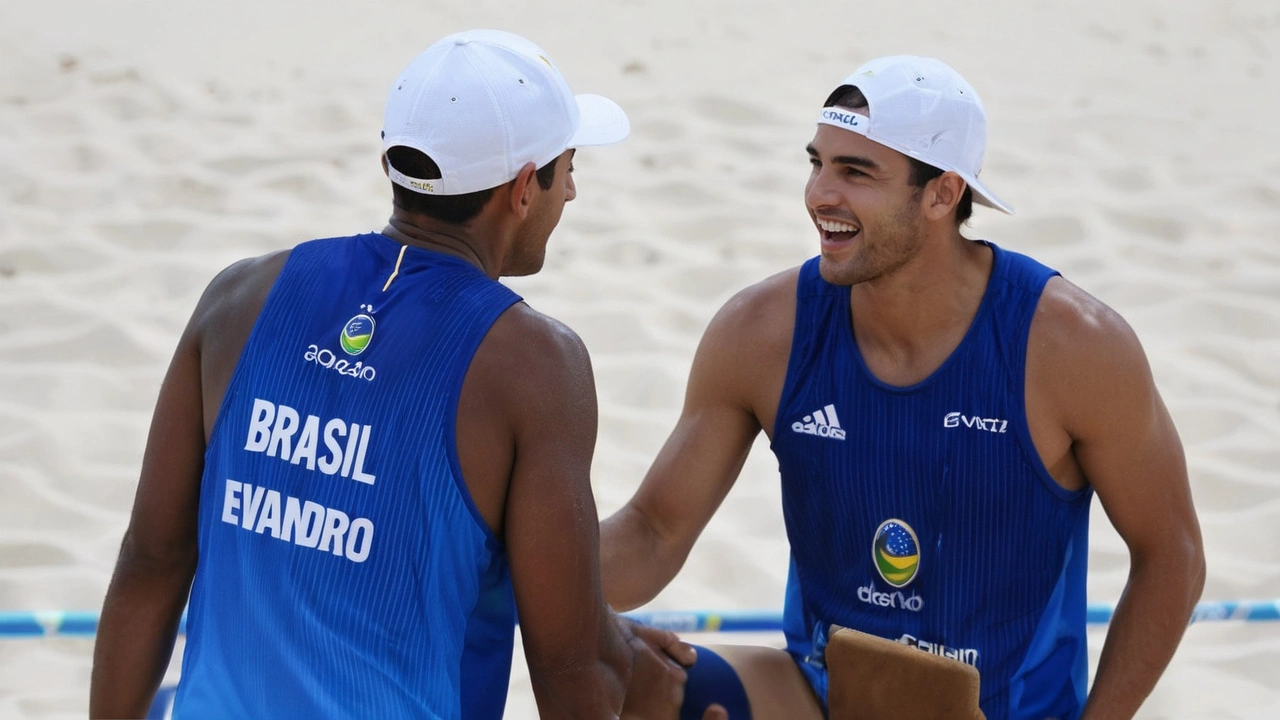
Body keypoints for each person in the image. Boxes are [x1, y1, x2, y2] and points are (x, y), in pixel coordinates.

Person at [89, 28, 696, 719]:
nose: (575, 191)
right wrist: (616, 663)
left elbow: (150, 561)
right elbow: (567, 671)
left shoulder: (239, 297)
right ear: (525, 188)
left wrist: (610, 643)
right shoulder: (534, 364)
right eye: (569, 167)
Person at [600, 55, 1206, 720]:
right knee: (638, 684)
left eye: (856, 172)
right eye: (817, 163)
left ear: (943, 194)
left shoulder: (1072, 346)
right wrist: (511, 563)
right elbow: (654, 533)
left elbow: (1170, 553)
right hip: (822, 698)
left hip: (1008, 712)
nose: (818, 194)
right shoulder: (760, 331)